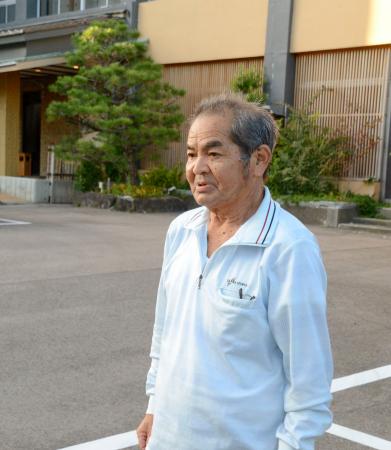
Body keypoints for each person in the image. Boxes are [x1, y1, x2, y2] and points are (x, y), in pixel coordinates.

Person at [136, 94, 333, 450]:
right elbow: (165, 331)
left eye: (213, 153)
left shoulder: (289, 248)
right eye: (192, 153)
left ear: (258, 160)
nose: (197, 168)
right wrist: (154, 406)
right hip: (169, 437)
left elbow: (309, 378)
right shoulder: (182, 231)